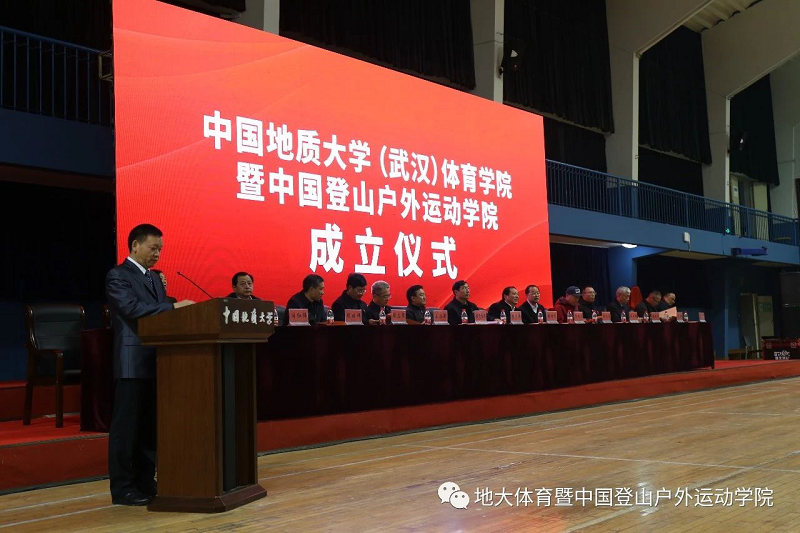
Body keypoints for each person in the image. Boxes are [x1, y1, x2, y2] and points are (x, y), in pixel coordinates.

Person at [105, 224, 194, 506]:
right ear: (135, 245)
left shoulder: (155, 278)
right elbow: (131, 309)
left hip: (157, 361)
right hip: (132, 362)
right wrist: (172, 307)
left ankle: (145, 481)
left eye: (160, 250)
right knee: (126, 429)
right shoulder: (118, 275)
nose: (157, 254)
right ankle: (122, 488)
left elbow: (162, 314)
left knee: (149, 428)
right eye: (153, 248)